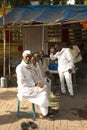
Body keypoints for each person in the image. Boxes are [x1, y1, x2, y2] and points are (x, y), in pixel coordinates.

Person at [16, 50, 55, 119]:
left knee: (45, 87)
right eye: (26, 57)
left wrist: (39, 83)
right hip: (25, 89)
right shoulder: (19, 68)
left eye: (29, 57)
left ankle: (46, 110)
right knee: (43, 92)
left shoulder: (30, 66)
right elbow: (22, 81)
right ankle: (45, 113)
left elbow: (35, 76)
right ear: (22, 57)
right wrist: (35, 84)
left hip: (32, 87)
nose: (28, 58)